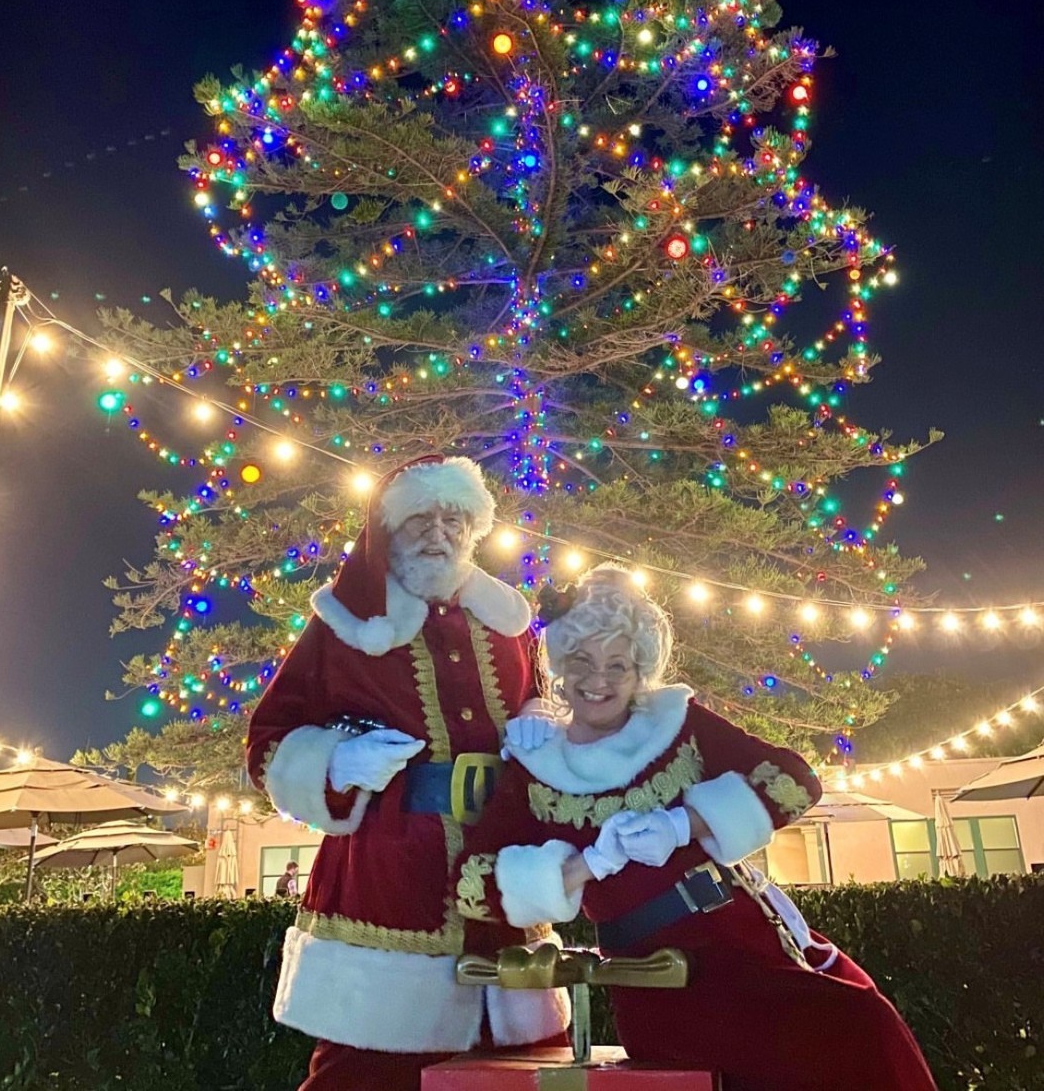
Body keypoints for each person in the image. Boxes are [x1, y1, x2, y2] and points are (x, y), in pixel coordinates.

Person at [454, 565, 938, 1091]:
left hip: (742, 935)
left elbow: (796, 780)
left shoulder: (676, 725)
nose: (599, 681)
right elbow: (473, 885)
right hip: (658, 974)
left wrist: (685, 823)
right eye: (583, 662)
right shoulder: (536, 765)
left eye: (617, 665)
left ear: (639, 671)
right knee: (840, 1032)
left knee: (867, 1020)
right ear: (562, 667)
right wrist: (585, 866)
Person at [246, 455, 569, 1091]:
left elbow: (538, 694)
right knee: (366, 1070)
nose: (439, 534)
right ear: (388, 530)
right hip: (390, 876)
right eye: (421, 519)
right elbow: (267, 742)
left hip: (502, 867)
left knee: (520, 1063)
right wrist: (337, 760)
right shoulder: (342, 626)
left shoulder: (507, 622)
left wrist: (541, 717)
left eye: (454, 520)